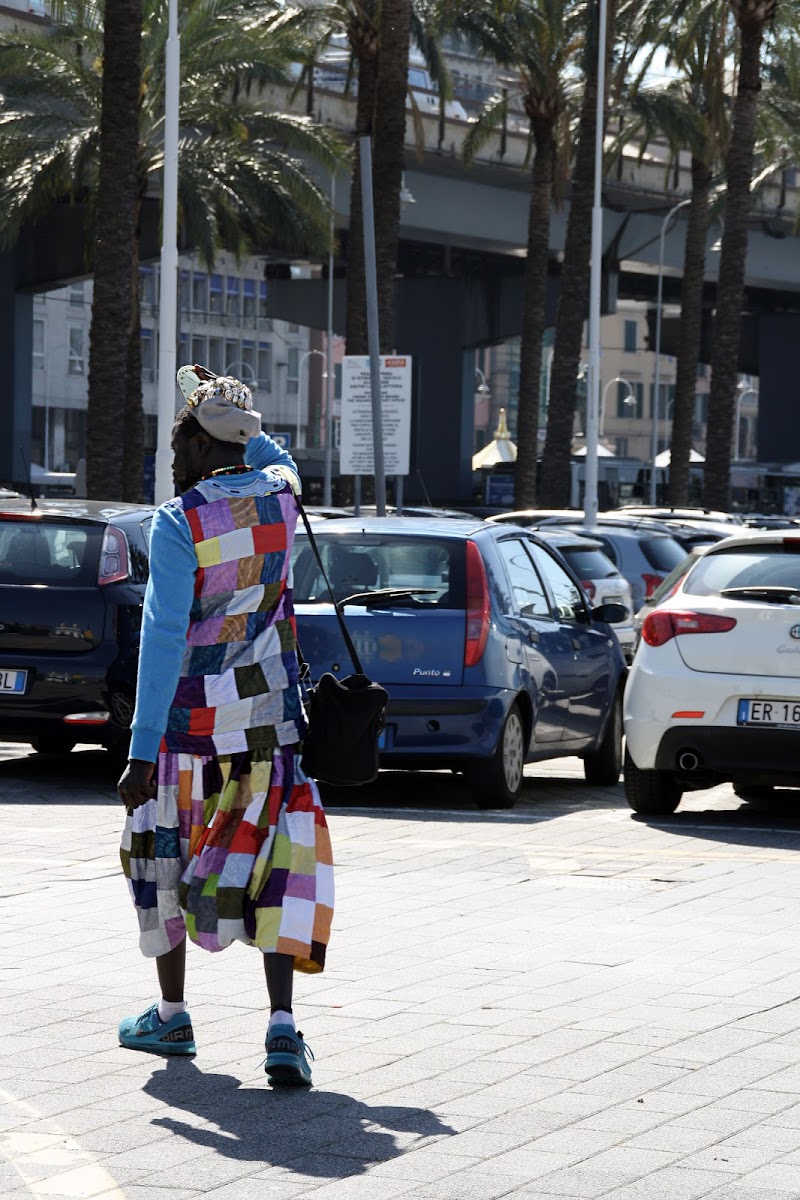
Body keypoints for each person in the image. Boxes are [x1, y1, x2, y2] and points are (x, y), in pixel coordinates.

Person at [117, 367, 333, 1087]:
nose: (174, 458)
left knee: (163, 857)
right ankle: (281, 1029)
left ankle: (172, 1014)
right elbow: (280, 458)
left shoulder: (178, 522)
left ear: (201, 446)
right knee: (279, 866)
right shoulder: (281, 497)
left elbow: (163, 638)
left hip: (188, 731)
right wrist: (234, 408)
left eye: (180, 441)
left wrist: (140, 751)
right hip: (268, 726)